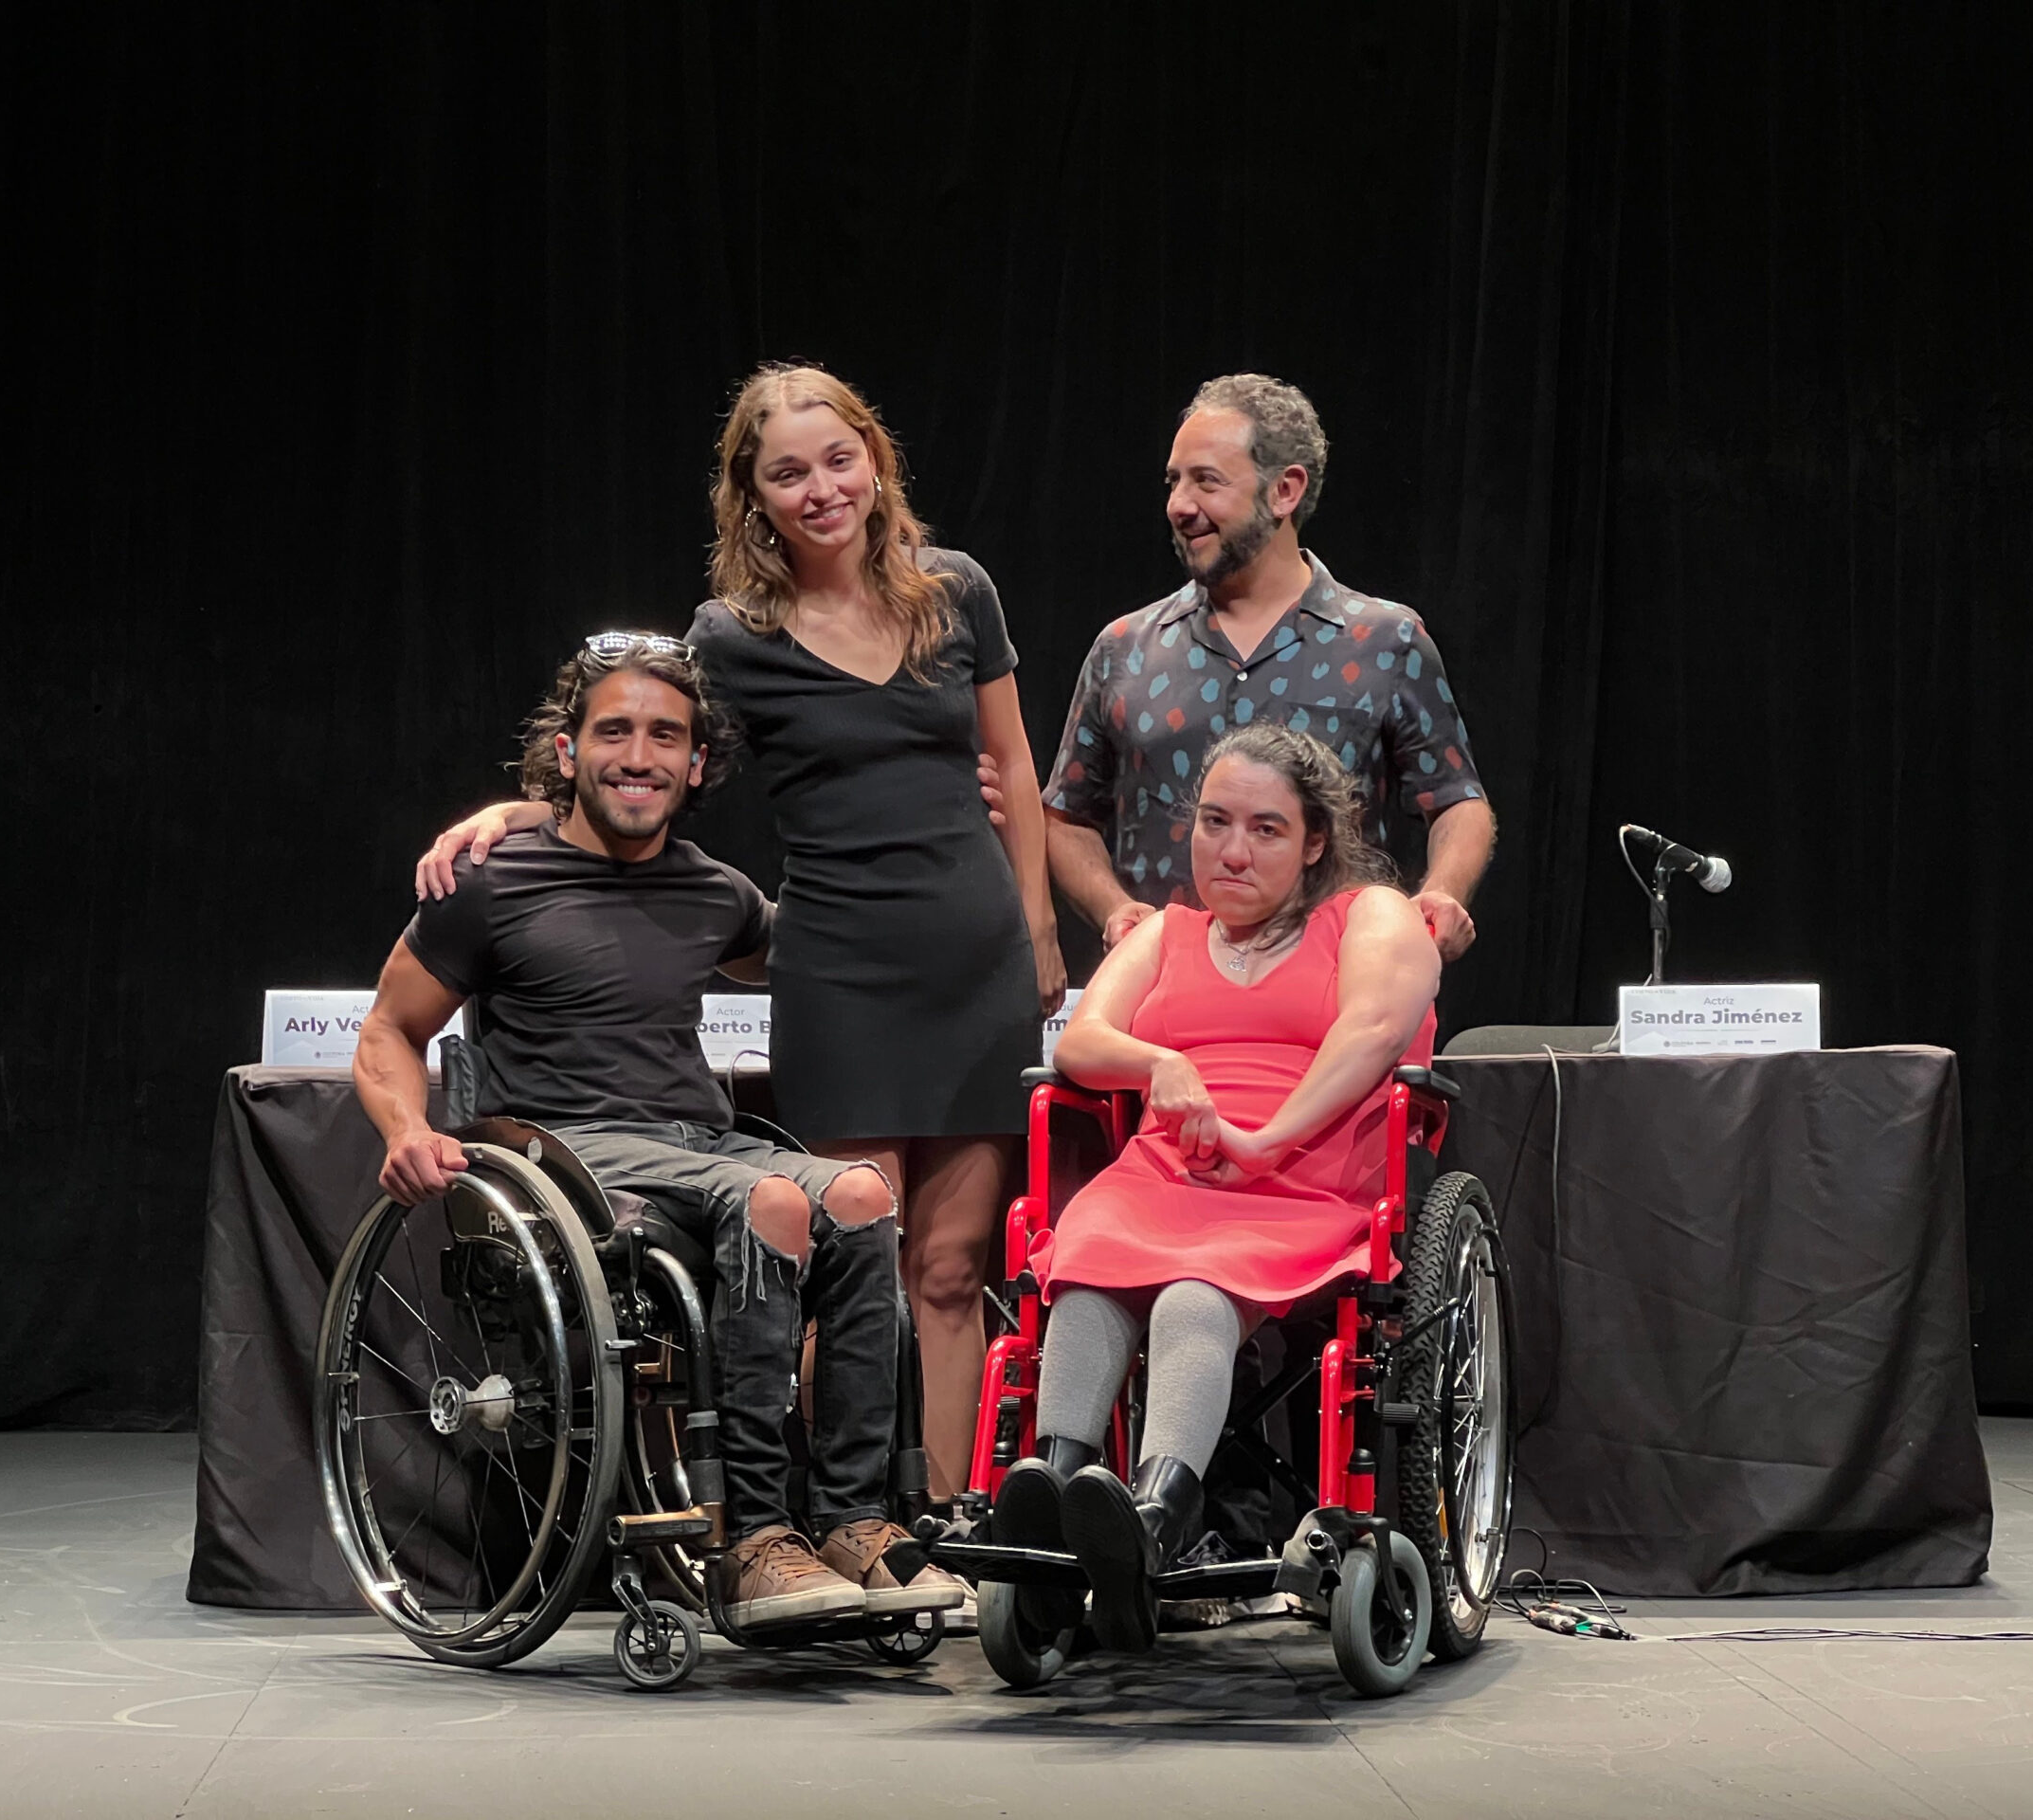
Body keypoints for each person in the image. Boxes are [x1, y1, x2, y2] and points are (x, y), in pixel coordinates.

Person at [414, 365, 1062, 1506]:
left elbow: (1012, 764)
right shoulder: (733, 634)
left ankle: (940, 1519)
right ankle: (837, 1516)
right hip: (840, 974)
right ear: (753, 498)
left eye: (839, 460)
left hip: (976, 966)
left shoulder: (957, 590)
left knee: (954, 1270)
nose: (822, 489)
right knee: (856, 1259)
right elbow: (642, 746)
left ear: (874, 460)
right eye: (789, 474)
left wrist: (1040, 928)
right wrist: (523, 810)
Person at [354, 633, 965, 1629]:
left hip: (696, 1141)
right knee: (771, 1202)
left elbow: (829, 949)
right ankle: (754, 1540)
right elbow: (388, 1028)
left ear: (697, 763)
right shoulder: (491, 882)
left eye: (664, 737)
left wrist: (944, 844)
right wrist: (403, 1128)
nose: (638, 756)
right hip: (568, 1151)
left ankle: (855, 1519)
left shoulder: (714, 891)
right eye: (615, 732)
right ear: (567, 752)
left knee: (859, 1195)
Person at [991, 723, 1440, 1651]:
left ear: (1314, 841)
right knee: (1088, 1271)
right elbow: (1083, 1040)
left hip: (1301, 1174)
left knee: (1194, 1295)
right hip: (1165, 1170)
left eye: (1266, 829)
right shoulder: (1167, 932)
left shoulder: (1367, 916)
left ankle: (1149, 1522)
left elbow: (1371, 1032)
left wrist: (1265, 1139)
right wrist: (1162, 1064)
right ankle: (1053, 1498)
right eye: (1214, 822)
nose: (1231, 851)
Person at [1040, 373, 1495, 963]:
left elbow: (1458, 800)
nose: (1179, 505)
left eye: (1206, 481)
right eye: (1174, 481)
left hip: (1334, 988)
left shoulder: (1386, 642)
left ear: (1284, 491)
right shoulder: (1124, 648)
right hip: (1164, 988)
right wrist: (1113, 908)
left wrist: (1442, 892)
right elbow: (1065, 816)